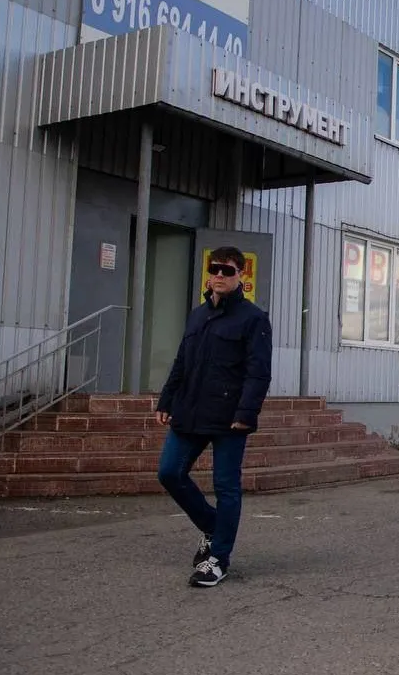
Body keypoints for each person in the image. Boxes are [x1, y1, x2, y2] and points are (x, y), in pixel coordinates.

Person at [155, 246, 273, 587]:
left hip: (229, 417)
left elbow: (258, 372)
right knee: (169, 472)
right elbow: (182, 361)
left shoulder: (253, 319)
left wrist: (246, 412)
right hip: (189, 410)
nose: (219, 275)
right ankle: (212, 526)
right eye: (214, 269)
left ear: (241, 275)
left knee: (226, 486)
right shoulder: (197, 316)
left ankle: (218, 559)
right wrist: (167, 399)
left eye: (227, 270)